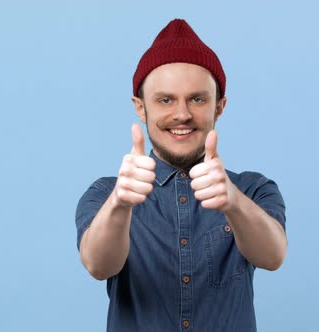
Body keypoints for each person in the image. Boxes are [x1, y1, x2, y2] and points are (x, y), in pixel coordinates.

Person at [75, 18, 287, 332]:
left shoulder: (253, 189)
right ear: (140, 108)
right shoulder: (106, 194)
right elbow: (98, 265)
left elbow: (272, 256)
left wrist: (233, 203)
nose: (182, 114)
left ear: (219, 107)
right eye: (165, 100)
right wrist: (120, 205)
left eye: (197, 99)